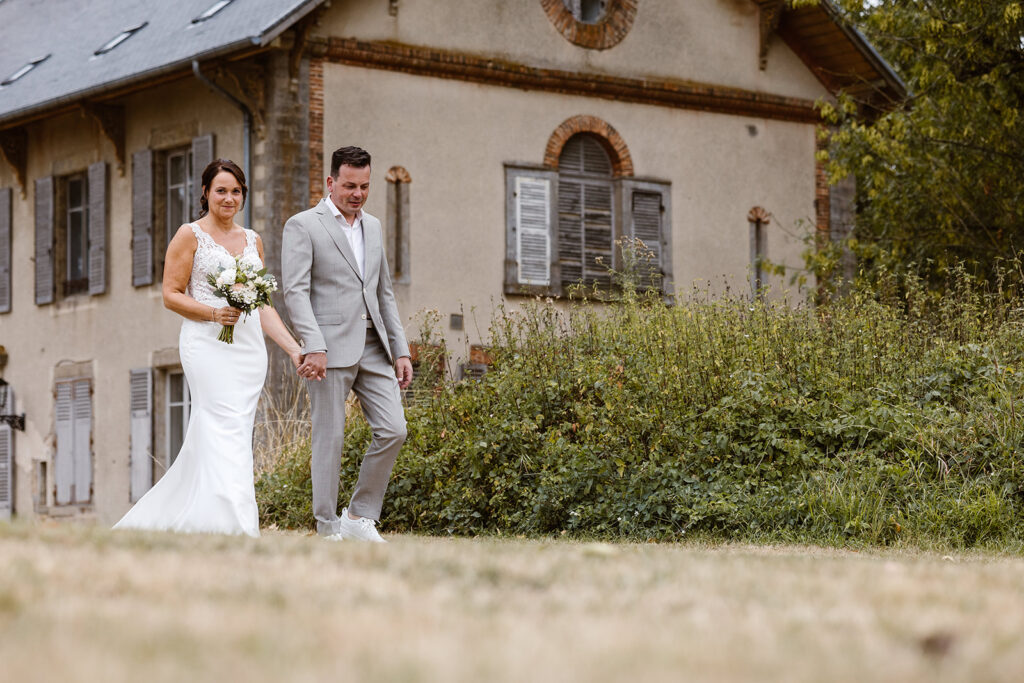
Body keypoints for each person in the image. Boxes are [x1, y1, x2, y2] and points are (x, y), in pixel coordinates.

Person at [114, 159, 302, 537]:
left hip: (248, 352)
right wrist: (214, 314)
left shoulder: (253, 241)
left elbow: (263, 305)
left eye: (236, 191)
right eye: (221, 190)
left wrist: (294, 349)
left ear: (243, 195)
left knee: (231, 431)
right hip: (206, 346)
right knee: (222, 426)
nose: (229, 198)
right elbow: (170, 294)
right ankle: (235, 526)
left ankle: (194, 518)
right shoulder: (190, 235)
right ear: (205, 193)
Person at [282, 145, 413, 543]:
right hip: (328, 349)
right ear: (331, 182)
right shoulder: (303, 225)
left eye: (364, 186)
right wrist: (313, 344)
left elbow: (383, 292)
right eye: (349, 185)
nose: (357, 194)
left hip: (374, 346)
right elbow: (295, 291)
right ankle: (326, 528)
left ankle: (357, 516)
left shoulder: (372, 226)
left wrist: (401, 348)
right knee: (330, 438)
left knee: (394, 430)